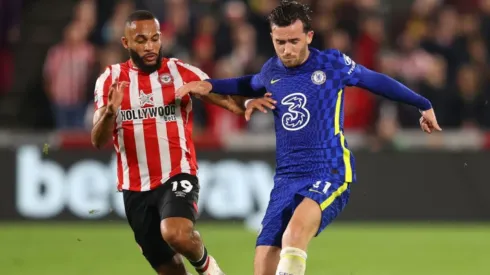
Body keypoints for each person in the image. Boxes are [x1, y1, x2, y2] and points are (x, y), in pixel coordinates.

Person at [175, 1, 442, 275]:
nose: (287, 49)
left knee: (295, 233)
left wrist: (421, 102)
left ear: (309, 36)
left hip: (329, 170)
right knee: (264, 263)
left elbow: (375, 80)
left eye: (293, 41)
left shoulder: (332, 64)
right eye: (280, 42)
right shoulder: (272, 70)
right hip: (287, 178)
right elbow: (248, 83)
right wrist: (211, 85)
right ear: (271, 38)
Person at [91, 10, 245, 275]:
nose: (150, 46)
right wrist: (109, 112)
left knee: (176, 233)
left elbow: (231, 103)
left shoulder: (180, 71)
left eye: (155, 38)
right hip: (134, 187)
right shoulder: (110, 80)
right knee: (169, 268)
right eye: (141, 40)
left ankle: (211, 270)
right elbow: (98, 140)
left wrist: (251, 100)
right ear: (126, 43)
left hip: (177, 172)